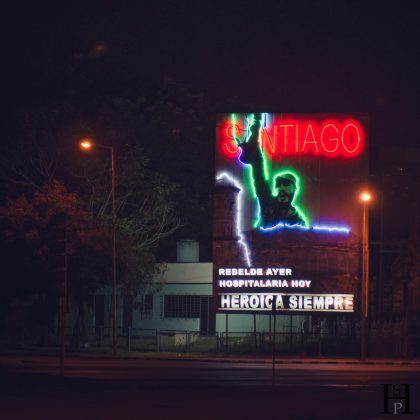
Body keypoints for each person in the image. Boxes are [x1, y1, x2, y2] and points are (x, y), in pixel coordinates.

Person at [235, 113, 306, 229]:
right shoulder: (268, 203)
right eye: (279, 184)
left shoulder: (298, 222)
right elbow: (259, 175)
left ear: (294, 189)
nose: (281, 188)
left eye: (286, 184)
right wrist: (257, 123)